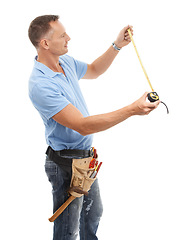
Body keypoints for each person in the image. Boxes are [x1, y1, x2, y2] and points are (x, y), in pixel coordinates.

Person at [28, 15, 160, 240]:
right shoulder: (40, 85)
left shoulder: (65, 62)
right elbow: (82, 126)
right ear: (45, 44)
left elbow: (95, 69)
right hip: (65, 164)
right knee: (67, 229)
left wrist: (117, 45)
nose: (69, 38)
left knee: (93, 213)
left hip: (84, 160)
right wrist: (132, 109)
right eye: (62, 35)